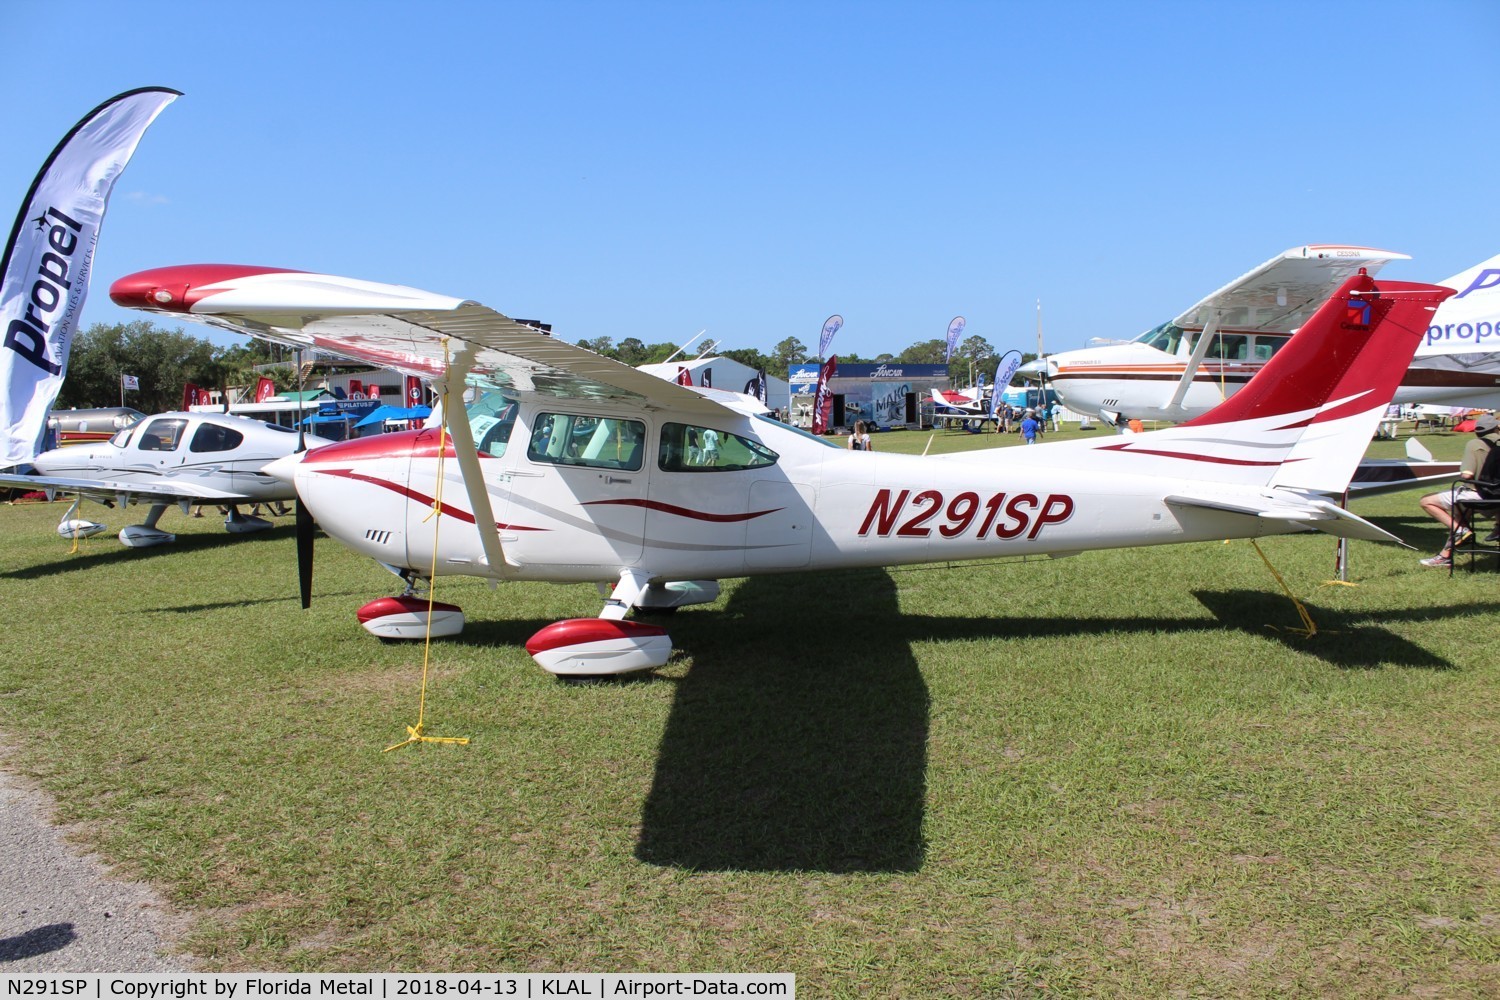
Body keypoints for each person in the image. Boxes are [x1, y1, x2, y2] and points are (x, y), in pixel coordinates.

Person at [1418, 412, 1500, 567]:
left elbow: (1467, 474)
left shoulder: (1474, 444)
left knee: (1427, 501)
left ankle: (1459, 534)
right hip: (1497, 498)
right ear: (1497, 428)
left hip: (1481, 495)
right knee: (1460, 514)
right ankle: (1446, 553)